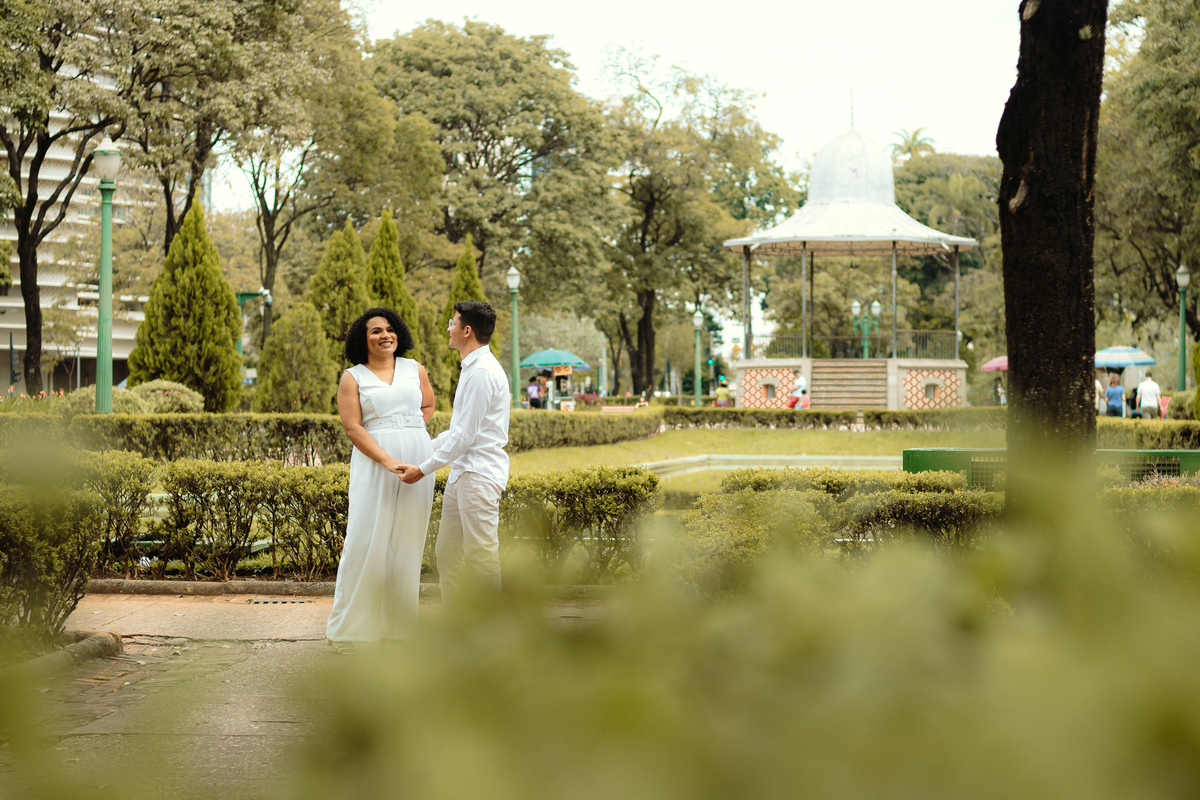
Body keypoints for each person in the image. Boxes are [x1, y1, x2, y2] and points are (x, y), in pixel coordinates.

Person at [326, 308, 436, 652]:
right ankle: (353, 628)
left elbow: (427, 406)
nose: (385, 335)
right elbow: (352, 427)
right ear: (364, 339)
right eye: (376, 331)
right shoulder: (353, 377)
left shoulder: (414, 368)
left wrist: (410, 434)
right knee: (365, 540)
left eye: (390, 329)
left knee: (407, 544)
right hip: (375, 463)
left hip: (418, 460)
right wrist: (388, 458)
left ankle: (398, 627)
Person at [398, 301, 510, 611]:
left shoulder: (482, 373)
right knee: (447, 555)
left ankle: (491, 630)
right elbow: (458, 432)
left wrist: (423, 468)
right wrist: (420, 448)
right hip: (463, 474)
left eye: (453, 322)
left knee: (481, 557)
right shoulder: (473, 368)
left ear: (467, 330)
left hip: (478, 475)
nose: (449, 328)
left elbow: (465, 437)